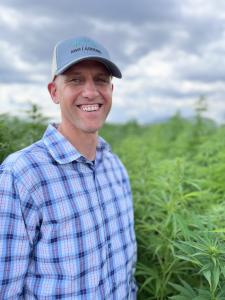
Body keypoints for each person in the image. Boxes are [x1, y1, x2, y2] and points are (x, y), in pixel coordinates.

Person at [0, 36, 137, 299]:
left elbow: (126, 273)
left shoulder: (116, 169)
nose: (90, 91)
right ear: (54, 92)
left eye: (100, 80)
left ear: (111, 90)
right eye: (75, 79)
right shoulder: (21, 175)